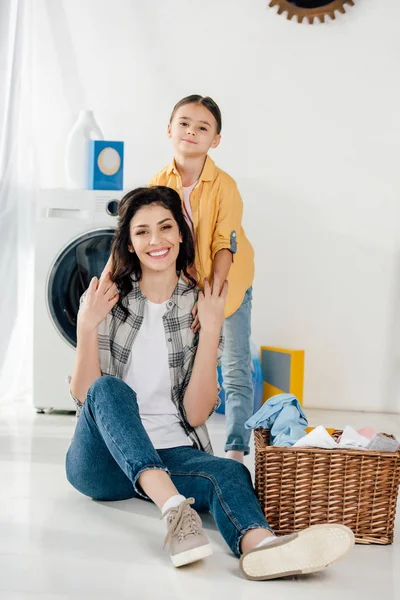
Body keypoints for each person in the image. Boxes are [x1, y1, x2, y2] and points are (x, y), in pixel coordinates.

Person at [66, 186, 354, 580]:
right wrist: (86, 324)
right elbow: (85, 395)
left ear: (182, 233)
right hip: (103, 464)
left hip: (173, 453)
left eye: (166, 227)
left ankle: (262, 548)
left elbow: (197, 412)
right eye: (142, 232)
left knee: (231, 472)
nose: (156, 240)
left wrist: (214, 327)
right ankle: (175, 512)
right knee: (109, 389)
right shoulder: (108, 299)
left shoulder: (199, 306)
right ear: (130, 244)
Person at [149, 95, 255, 463]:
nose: (191, 131)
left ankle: (237, 450)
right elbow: (156, 240)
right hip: (186, 288)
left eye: (203, 127)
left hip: (229, 284)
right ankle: (186, 441)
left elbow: (225, 246)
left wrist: (212, 299)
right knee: (188, 364)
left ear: (216, 139)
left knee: (236, 367)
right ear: (169, 129)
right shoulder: (158, 183)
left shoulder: (225, 185)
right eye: (184, 123)